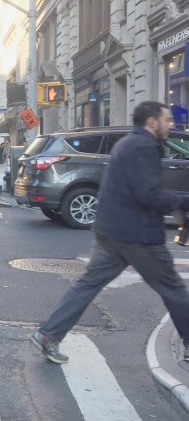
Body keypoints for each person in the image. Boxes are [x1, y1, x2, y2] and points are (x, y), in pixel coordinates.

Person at [31, 101, 189, 364]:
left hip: (110, 232)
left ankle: (48, 335)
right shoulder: (143, 146)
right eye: (167, 120)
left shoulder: (127, 143)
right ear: (152, 121)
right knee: (173, 288)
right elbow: (147, 194)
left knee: (87, 286)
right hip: (137, 235)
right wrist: (181, 201)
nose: (170, 124)